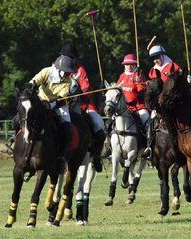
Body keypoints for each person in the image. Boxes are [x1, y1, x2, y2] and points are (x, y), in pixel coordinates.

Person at [59, 42, 105, 172]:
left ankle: (96, 155)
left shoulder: (80, 70)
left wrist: (79, 92)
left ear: (74, 58)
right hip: (62, 104)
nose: (66, 59)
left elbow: (85, 88)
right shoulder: (58, 69)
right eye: (64, 56)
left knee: (98, 124)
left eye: (68, 56)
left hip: (83, 104)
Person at [27, 55, 77, 173]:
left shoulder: (68, 81)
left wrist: (51, 105)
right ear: (59, 69)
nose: (68, 74)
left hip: (58, 106)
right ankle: (14, 140)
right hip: (41, 100)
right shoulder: (47, 71)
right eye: (66, 72)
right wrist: (30, 87)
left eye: (69, 72)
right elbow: (34, 81)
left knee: (67, 129)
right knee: (21, 117)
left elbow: (62, 99)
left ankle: (61, 157)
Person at [141, 45, 182, 160]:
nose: (156, 60)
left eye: (157, 57)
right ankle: (149, 147)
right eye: (153, 58)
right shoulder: (153, 70)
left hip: (174, 101)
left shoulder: (172, 66)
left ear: (162, 55)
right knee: (151, 121)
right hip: (160, 103)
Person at [116, 53, 149, 128]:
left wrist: (140, 82)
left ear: (135, 65)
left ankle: (148, 138)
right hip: (124, 108)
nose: (129, 66)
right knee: (112, 121)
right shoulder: (122, 76)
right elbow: (117, 90)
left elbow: (142, 92)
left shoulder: (139, 75)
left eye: (131, 64)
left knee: (145, 120)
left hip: (138, 107)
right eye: (127, 64)